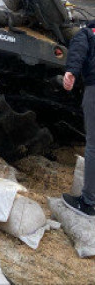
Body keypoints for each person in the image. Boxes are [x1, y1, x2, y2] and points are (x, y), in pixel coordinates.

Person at [62, 20, 95, 217]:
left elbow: (78, 48)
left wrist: (71, 71)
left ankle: (88, 202)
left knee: (93, 145)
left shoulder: (88, 33)